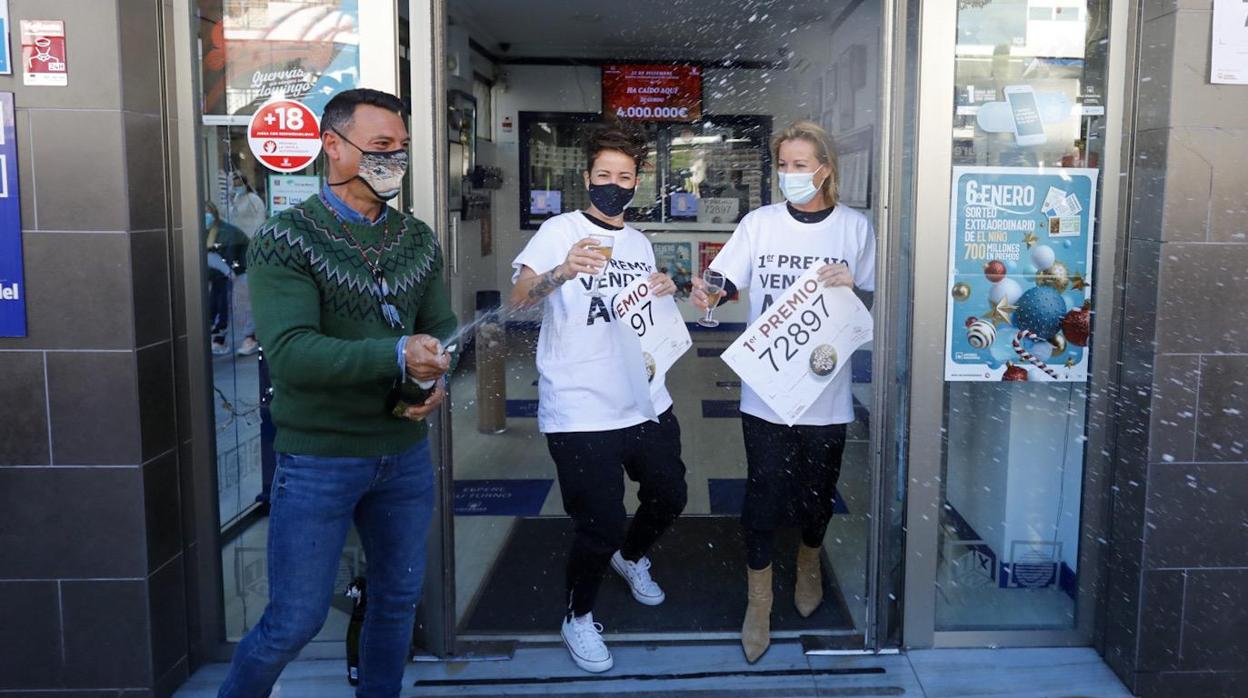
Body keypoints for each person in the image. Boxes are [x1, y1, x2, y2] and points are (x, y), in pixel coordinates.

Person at [217, 88, 457, 698]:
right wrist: (397, 352)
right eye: (380, 146)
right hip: (318, 460)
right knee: (293, 622)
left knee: (396, 602)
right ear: (333, 145)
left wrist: (434, 372)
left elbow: (441, 325)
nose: (394, 160)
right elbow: (292, 353)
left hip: (403, 456)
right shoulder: (287, 238)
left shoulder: (417, 238)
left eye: (401, 147)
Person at [691, 120, 876, 663]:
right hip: (767, 389)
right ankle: (760, 598)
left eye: (801, 165)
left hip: (827, 391)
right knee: (764, 493)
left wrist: (854, 286)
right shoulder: (761, 224)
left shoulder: (854, 228)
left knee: (818, 494)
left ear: (825, 169)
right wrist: (707, 292)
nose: (790, 174)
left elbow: (872, 301)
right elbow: (724, 283)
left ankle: (810, 560)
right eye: (783, 165)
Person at [510, 122, 687, 674]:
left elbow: (642, 309)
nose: (614, 184)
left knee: (670, 495)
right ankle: (578, 615)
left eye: (625, 177)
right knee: (600, 522)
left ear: (637, 183)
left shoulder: (638, 242)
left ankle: (630, 558)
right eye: (604, 175)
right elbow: (519, 298)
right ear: (587, 179)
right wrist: (563, 271)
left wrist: (665, 287)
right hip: (581, 406)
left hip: (645, 399)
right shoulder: (559, 230)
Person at [204, 201, 248, 356]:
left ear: (214, 214)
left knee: (224, 301)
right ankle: (217, 337)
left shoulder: (224, 231)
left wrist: (229, 272)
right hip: (223, 271)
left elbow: (227, 256)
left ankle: (221, 339)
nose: (205, 215)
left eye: (208, 212)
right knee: (216, 300)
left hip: (238, 268)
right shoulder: (205, 231)